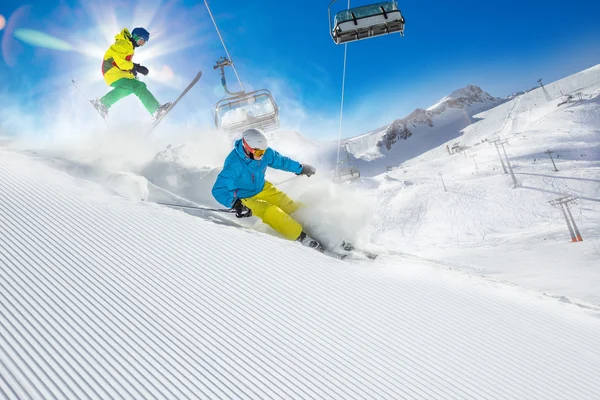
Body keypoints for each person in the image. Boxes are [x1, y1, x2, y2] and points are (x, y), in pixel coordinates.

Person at [212, 128, 321, 250]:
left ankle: (314, 226)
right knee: (270, 211)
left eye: (263, 152)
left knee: (286, 203)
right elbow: (218, 189)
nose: (262, 156)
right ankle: (301, 237)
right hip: (244, 196)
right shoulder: (234, 164)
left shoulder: (263, 153)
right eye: (259, 153)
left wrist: (300, 168)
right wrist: (235, 203)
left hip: (262, 187)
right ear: (248, 148)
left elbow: (281, 161)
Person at [91, 27, 171, 121]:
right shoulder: (123, 43)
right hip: (111, 71)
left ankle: (103, 104)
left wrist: (133, 73)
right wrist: (137, 67)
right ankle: (155, 110)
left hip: (116, 73)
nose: (141, 44)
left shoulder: (129, 47)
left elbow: (124, 65)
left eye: (144, 43)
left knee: (133, 86)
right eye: (141, 41)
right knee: (138, 86)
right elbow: (120, 62)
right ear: (136, 37)